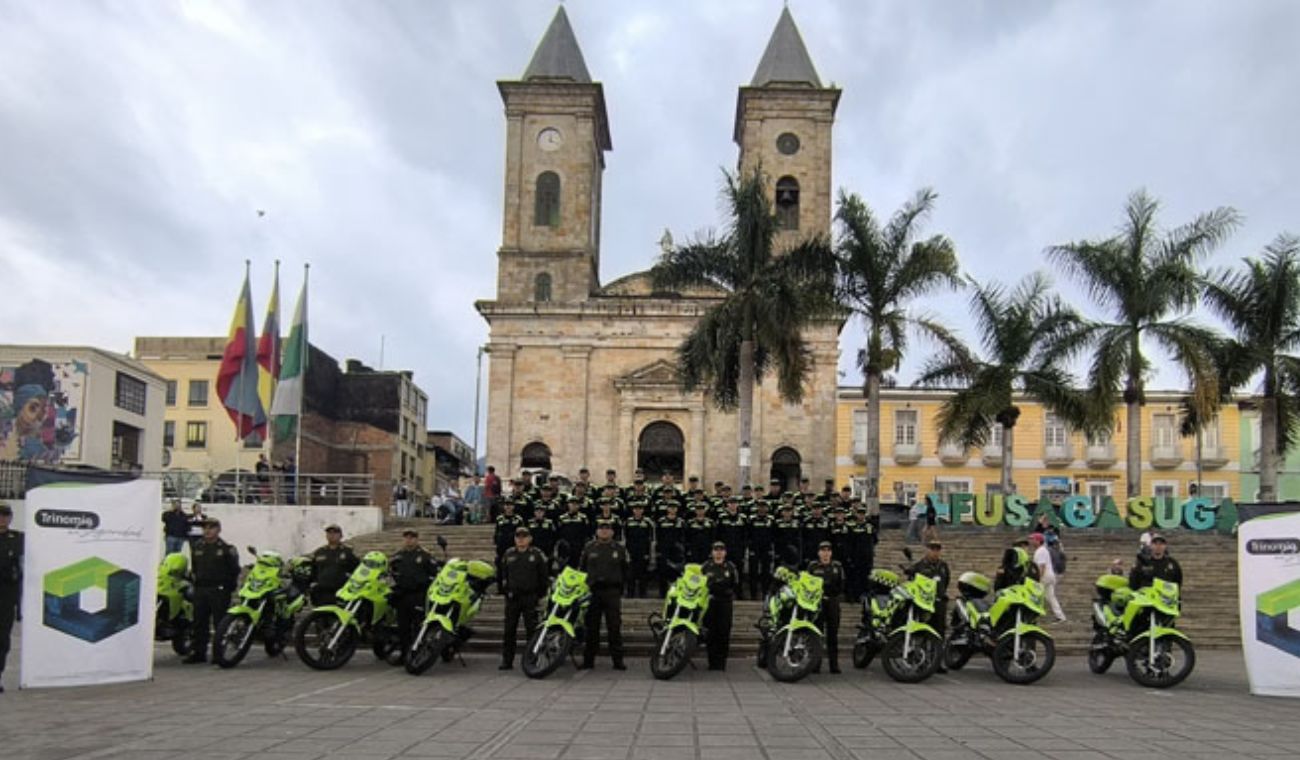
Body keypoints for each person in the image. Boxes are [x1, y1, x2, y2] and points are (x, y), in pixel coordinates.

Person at [185, 518, 240, 663]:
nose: (207, 531)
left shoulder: (226, 549)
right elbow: (195, 567)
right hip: (201, 588)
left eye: (211, 528)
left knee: (219, 623)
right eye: (205, 528)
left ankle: (218, 654)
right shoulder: (197, 546)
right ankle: (198, 653)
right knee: (199, 622)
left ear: (218, 530)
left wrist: (227, 587)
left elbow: (234, 570)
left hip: (219, 589)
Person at [580, 522, 628, 670]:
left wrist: (621, 588)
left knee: (614, 627)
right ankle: (588, 661)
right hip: (593, 592)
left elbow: (626, 569)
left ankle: (618, 661)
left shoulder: (619, 549)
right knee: (591, 628)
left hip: (612, 592)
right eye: (601, 529)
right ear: (597, 531)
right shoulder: (589, 547)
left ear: (612, 532)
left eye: (607, 529)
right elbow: (582, 569)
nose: (604, 531)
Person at [500, 527, 550, 670]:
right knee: (509, 630)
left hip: (530, 597)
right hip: (513, 598)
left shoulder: (537, 554)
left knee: (532, 630)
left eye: (524, 536)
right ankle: (507, 660)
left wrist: (539, 595)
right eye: (518, 537)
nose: (521, 539)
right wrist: (506, 591)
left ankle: (531, 659)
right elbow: (503, 575)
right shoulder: (508, 554)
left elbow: (543, 577)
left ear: (530, 539)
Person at [389, 529, 437, 661]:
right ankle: (404, 654)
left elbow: (434, 574)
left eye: (412, 537)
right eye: (406, 537)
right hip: (402, 596)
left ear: (417, 539)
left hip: (418, 595)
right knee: (403, 627)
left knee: (418, 626)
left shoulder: (425, 555)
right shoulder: (398, 556)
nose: (409, 540)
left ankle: (417, 653)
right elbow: (391, 573)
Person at [907, 540, 951, 672]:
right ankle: (921, 660)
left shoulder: (943, 566)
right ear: (926, 550)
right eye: (932, 549)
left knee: (939, 633)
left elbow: (946, 581)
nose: (935, 552)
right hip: (924, 604)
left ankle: (937, 661)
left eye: (937, 549)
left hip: (939, 602)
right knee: (923, 632)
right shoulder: (919, 566)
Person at [807, 541, 845, 673]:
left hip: (833, 603)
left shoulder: (837, 566)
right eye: (823, 550)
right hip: (817, 604)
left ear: (831, 553)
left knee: (832, 635)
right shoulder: (812, 566)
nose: (825, 553)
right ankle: (815, 664)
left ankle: (834, 665)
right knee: (817, 634)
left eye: (828, 551)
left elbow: (841, 585)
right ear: (818, 553)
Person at [702, 541, 739, 670]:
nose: (718, 553)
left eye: (721, 550)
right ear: (712, 552)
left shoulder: (730, 567)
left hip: (725, 603)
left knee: (724, 632)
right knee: (711, 633)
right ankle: (711, 662)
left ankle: (721, 662)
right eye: (716, 550)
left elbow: (735, 584)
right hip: (710, 602)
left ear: (725, 552)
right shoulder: (706, 566)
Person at [0, 503, 24, 692]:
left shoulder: (18, 538)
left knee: (2, 639)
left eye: (5, 515)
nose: (2, 518)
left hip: (6, 596)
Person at [310, 525, 359, 605]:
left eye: (335, 533)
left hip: (340, 591)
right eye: (329, 533)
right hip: (322, 591)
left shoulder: (347, 552)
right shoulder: (319, 552)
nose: (332, 535)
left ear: (341, 536)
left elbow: (357, 569)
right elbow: (313, 570)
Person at [1032, 533, 1067, 622]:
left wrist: (1038, 579)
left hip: (1044, 576)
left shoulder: (1040, 551)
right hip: (1049, 576)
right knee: (1050, 597)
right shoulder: (1042, 550)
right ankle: (1060, 616)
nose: (1032, 541)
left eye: (1033, 539)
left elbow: (1042, 566)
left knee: (1034, 594)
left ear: (1038, 541)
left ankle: (1033, 615)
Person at [623, 502, 654, 598]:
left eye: (640, 509)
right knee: (630, 575)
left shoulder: (648, 522)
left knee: (643, 575)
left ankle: (643, 594)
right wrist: (626, 553)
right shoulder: (628, 522)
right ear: (633, 510)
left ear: (643, 510)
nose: (638, 511)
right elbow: (624, 539)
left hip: (644, 553)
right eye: (636, 509)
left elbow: (652, 540)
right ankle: (630, 594)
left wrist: (650, 554)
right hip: (631, 552)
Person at [745, 500, 775, 600]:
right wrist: (750, 548)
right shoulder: (751, 519)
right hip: (754, 549)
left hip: (766, 549)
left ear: (767, 508)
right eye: (760, 507)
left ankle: (765, 593)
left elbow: (774, 535)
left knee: (766, 572)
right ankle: (753, 595)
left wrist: (771, 548)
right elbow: (747, 535)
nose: (762, 509)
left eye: (764, 507)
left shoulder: (771, 520)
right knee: (753, 572)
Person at [654, 502, 686, 597]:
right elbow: (658, 537)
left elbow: (684, 536)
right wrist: (658, 550)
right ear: (667, 509)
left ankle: (676, 593)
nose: (672, 510)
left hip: (677, 552)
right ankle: (662, 594)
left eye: (674, 508)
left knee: (677, 573)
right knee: (663, 573)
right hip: (664, 551)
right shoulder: (661, 521)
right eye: (670, 508)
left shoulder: (681, 522)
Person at [494, 501, 527, 588]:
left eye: (510, 505)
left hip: (514, 546)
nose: (508, 507)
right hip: (502, 547)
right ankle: (500, 587)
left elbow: (521, 533)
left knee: (515, 567)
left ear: (513, 507)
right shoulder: (499, 518)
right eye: (507, 505)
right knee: (501, 567)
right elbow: (497, 532)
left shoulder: (518, 519)